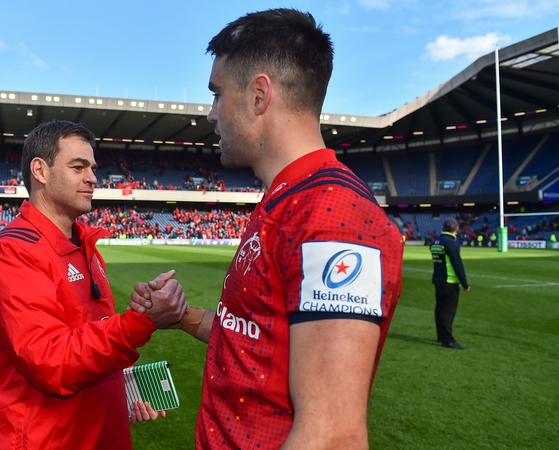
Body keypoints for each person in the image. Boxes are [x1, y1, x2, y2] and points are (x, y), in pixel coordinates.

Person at [130, 9, 404, 449]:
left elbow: (333, 436)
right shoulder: (284, 200)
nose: (210, 114)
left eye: (217, 94)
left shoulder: (333, 216)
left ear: (260, 95)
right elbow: (253, 335)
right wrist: (180, 317)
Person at [0, 120, 188, 450]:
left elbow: (91, 334)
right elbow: (51, 361)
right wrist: (141, 322)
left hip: (105, 431)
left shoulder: (84, 245)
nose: (93, 178)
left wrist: (126, 389)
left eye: (92, 167)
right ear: (40, 171)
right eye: (78, 167)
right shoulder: (12, 252)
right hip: (50, 439)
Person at [430, 217, 470, 349]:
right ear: (456, 229)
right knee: (448, 311)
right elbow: (457, 264)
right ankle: (447, 339)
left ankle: (441, 335)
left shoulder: (436, 240)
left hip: (438, 279)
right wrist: (464, 283)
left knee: (440, 309)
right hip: (449, 280)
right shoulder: (450, 242)